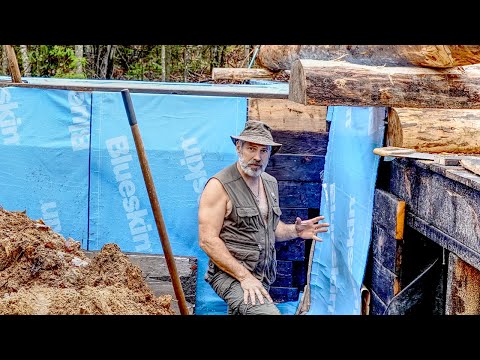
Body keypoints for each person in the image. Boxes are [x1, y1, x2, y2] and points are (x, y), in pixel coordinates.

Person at [198, 120, 330, 315]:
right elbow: (207, 241)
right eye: (251, 148)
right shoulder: (219, 186)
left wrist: (295, 231)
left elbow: (271, 229)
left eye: (264, 151)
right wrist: (244, 277)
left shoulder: (270, 183)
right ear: (238, 148)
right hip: (229, 275)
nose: (257, 157)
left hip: (262, 276)